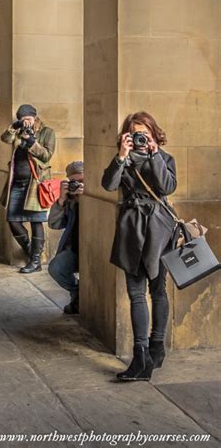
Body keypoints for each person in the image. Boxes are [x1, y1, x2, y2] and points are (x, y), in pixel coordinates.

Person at [102, 111, 177, 382]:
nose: (140, 137)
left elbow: (167, 186)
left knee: (158, 289)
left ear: (153, 133)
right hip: (132, 228)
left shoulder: (165, 158)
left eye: (144, 131)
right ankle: (141, 354)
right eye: (135, 132)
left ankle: (157, 347)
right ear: (127, 136)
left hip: (159, 228)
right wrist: (121, 155)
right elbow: (108, 184)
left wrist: (155, 155)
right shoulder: (124, 159)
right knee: (135, 292)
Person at [0, 104, 56, 274]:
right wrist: (14, 127)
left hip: (35, 182)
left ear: (35, 117)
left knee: (36, 220)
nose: (27, 123)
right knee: (13, 220)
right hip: (16, 182)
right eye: (23, 120)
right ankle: (31, 250)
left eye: (29, 119)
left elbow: (46, 155)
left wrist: (32, 141)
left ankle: (36, 261)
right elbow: (5, 139)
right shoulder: (18, 130)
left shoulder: (47, 132)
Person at [48, 160, 84, 314]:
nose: (77, 185)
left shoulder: (97, 195)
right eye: (73, 182)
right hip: (75, 248)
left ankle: (78, 298)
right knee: (56, 268)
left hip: (96, 249)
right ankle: (78, 292)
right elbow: (54, 224)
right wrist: (61, 200)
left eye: (82, 181)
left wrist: (86, 196)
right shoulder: (69, 201)